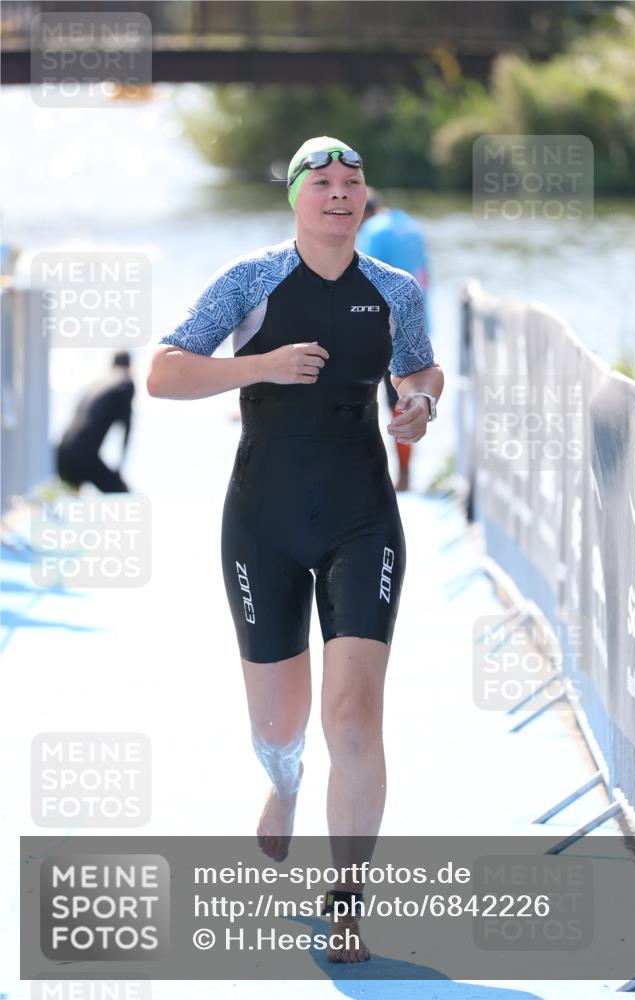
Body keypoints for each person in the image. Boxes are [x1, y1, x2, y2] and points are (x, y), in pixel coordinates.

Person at [147, 136, 444, 963]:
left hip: (361, 518)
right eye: (323, 182)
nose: (340, 193)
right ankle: (284, 784)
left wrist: (419, 406)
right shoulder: (249, 281)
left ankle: (346, 902)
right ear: (295, 198)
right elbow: (163, 372)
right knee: (278, 726)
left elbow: (421, 371)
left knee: (352, 717)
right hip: (263, 523)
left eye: (352, 181)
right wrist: (262, 366)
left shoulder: (393, 288)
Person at [357, 188, 431, 491]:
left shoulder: (373, 232)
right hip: (416, 324)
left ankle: (371, 477)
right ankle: (405, 476)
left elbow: (362, 278)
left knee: (360, 401)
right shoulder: (412, 226)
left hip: (379, 328)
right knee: (405, 401)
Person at [56, 351, 134, 493]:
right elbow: (127, 428)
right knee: (123, 493)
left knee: (71, 495)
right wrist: (119, 469)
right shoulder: (125, 382)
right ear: (129, 365)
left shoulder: (96, 383)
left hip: (62, 453)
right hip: (83, 456)